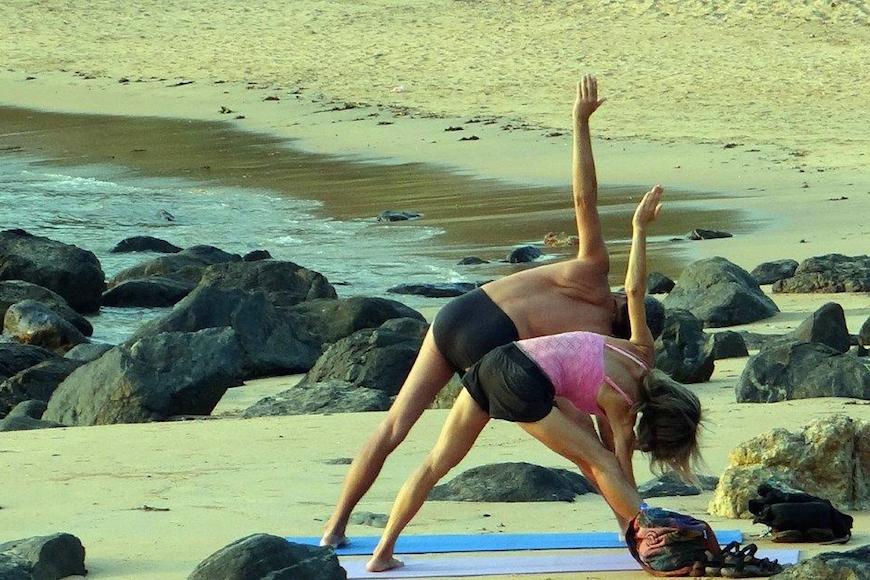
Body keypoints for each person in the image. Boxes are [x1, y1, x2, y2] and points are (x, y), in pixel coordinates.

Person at [322, 74, 630, 548]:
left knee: (393, 425)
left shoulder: (592, 270)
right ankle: (626, 526)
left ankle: (334, 527)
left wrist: (579, 122)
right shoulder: (597, 347)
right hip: (496, 347)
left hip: (460, 314)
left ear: (624, 299)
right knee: (587, 450)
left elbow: (582, 197)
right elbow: (609, 437)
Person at [366, 187, 704, 573]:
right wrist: (640, 522)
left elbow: (633, 289)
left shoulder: (641, 351)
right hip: (524, 380)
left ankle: (382, 553)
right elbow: (618, 470)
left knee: (434, 464)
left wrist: (638, 228)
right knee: (598, 459)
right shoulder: (625, 409)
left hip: (496, 359)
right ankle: (649, 542)